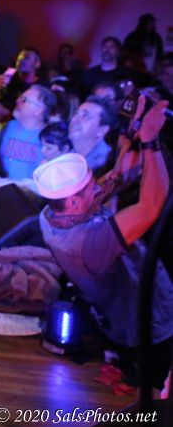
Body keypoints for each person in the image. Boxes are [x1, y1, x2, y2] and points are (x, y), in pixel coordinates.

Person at [33, 98, 172, 394]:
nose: (98, 186)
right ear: (73, 202)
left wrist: (132, 133)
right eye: (89, 188)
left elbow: (113, 180)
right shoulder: (85, 243)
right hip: (151, 331)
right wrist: (150, 140)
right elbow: (152, 206)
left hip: (136, 319)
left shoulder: (52, 213)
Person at [0, 48, 44, 124]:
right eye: (19, 58)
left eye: (26, 57)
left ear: (37, 64)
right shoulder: (9, 81)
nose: (21, 60)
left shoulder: (42, 88)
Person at [69, 96, 118, 176]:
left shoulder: (103, 164)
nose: (74, 120)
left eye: (85, 116)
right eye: (76, 113)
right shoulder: (71, 152)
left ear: (101, 130)